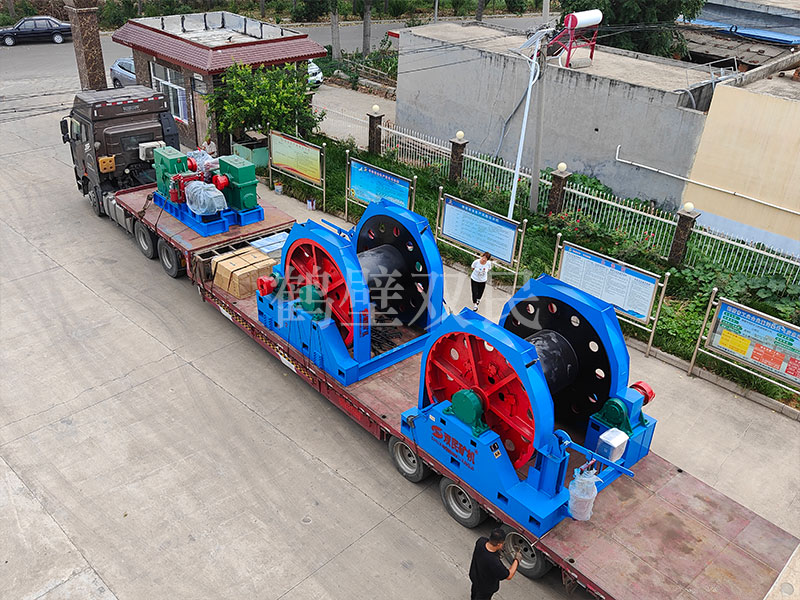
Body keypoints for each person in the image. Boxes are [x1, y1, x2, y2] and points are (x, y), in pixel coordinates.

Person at [469, 528, 521, 600]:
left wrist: (498, 549)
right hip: (485, 588)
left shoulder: (480, 541)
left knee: (474, 593)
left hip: (475, 577)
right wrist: (517, 560)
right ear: (499, 544)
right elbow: (509, 575)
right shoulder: (495, 562)